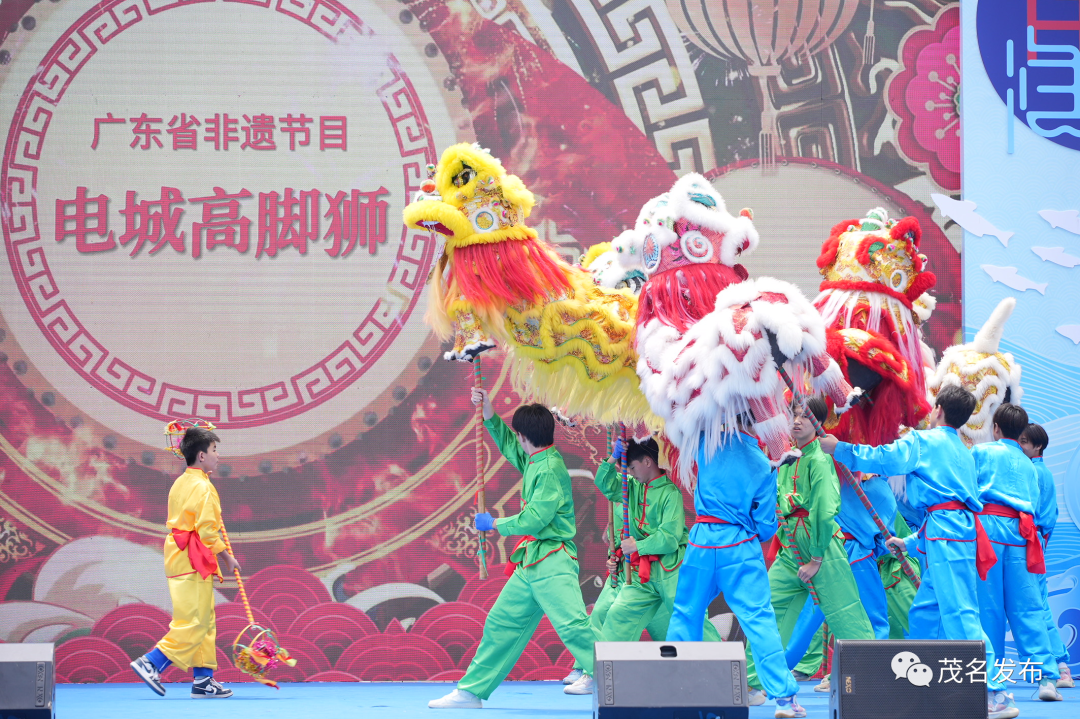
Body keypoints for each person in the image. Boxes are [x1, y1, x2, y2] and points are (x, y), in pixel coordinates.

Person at [819, 385, 1016, 719]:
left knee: (960, 615)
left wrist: (841, 449)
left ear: (937, 408)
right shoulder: (964, 452)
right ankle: (924, 688)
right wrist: (909, 543)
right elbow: (949, 506)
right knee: (925, 615)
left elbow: (883, 459)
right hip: (951, 533)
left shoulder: (923, 442)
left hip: (946, 537)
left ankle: (996, 691)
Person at [429, 388, 599, 708]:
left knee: (572, 624)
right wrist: (489, 413)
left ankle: (604, 674)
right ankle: (471, 691)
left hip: (552, 559)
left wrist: (494, 524)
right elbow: (509, 446)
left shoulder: (549, 468)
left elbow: (535, 519)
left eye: (517, 434)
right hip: (532, 560)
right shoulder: (537, 458)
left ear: (525, 435)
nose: (516, 439)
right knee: (501, 622)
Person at [667, 417, 805, 719]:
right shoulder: (763, 461)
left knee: (685, 613)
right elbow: (767, 527)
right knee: (758, 618)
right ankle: (783, 698)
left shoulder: (705, 442)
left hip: (702, 542)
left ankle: (673, 690)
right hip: (739, 546)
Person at [746, 398, 873, 699]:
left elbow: (825, 509)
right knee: (769, 608)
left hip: (822, 548)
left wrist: (816, 557)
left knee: (845, 614)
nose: (798, 420)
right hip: (791, 547)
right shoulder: (788, 458)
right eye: (795, 414)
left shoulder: (819, 459)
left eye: (806, 416)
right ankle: (753, 680)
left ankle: (870, 678)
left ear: (818, 424)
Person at [130, 425, 240, 698]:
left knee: (204, 619)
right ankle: (152, 662)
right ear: (201, 455)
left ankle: (203, 681)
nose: (218, 456)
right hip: (192, 556)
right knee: (194, 621)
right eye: (215, 450)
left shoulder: (182, 482)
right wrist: (226, 556)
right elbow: (206, 530)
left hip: (182, 556)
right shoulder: (203, 487)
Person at [593, 438, 723, 644]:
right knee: (619, 615)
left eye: (632, 467)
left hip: (672, 569)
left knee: (688, 617)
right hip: (641, 573)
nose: (629, 473)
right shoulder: (631, 487)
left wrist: (638, 545)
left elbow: (670, 539)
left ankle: (720, 668)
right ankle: (608, 672)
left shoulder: (670, 493)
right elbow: (605, 484)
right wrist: (613, 457)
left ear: (647, 462)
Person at [973, 406, 1061, 701]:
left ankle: (992, 681)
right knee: (1029, 609)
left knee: (988, 611)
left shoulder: (981, 453)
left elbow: (967, 492)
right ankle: (1047, 679)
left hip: (987, 533)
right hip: (1023, 536)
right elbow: (1035, 506)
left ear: (995, 427)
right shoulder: (1029, 466)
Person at [1019, 423, 1074, 688]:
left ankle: (1060, 668)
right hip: (1034, 543)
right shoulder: (1041, 471)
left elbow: (1041, 517)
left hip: (1029, 545)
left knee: (1037, 607)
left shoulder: (1034, 472)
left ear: (1038, 446)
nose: (1021, 446)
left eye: (1025, 442)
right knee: (1038, 606)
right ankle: (1061, 666)